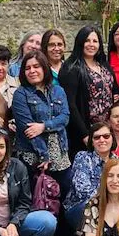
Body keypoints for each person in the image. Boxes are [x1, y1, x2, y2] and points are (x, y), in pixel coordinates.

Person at [11, 50, 71, 184]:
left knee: (64, 192)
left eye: (36, 66)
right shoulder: (20, 94)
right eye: (27, 68)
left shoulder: (58, 90)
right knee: (37, 194)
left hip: (60, 154)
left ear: (44, 68)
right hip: (33, 156)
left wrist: (44, 126)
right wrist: (44, 156)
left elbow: (65, 117)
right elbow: (28, 128)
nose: (32, 71)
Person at [59, 25, 118, 157]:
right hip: (86, 131)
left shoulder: (103, 64)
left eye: (95, 41)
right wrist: (84, 134)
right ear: (80, 42)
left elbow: (113, 88)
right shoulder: (71, 68)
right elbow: (70, 105)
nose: (91, 44)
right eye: (87, 40)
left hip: (107, 128)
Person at [65, 121, 117, 232]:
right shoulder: (82, 157)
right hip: (80, 208)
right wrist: (109, 200)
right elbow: (82, 192)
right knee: (91, 206)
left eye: (106, 136)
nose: (102, 140)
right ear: (92, 142)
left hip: (111, 206)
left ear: (112, 139)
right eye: (97, 137)